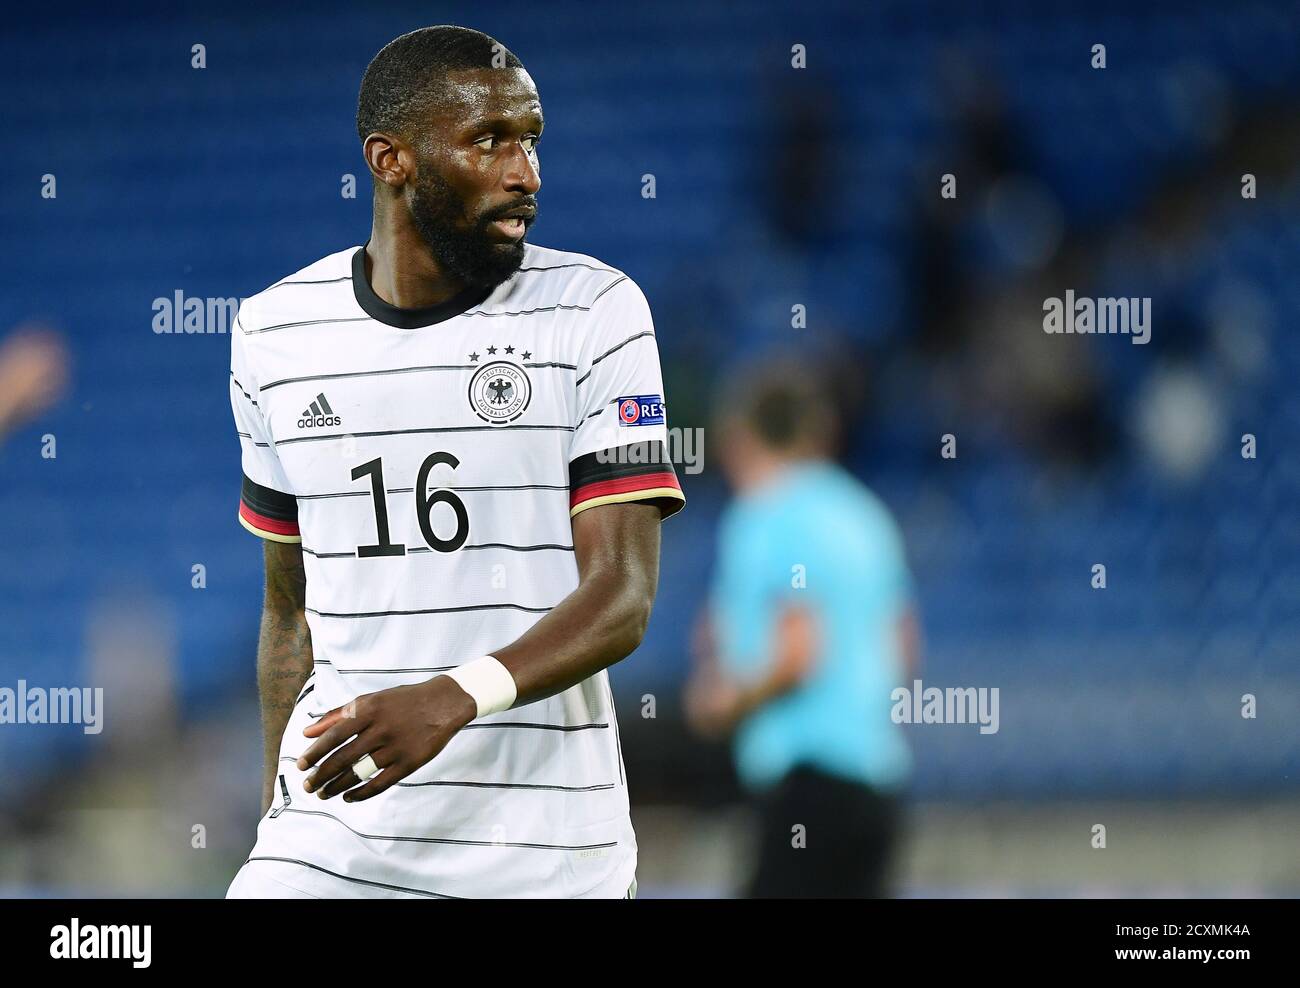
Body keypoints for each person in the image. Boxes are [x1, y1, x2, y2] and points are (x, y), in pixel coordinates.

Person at [225, 25, 684, 899]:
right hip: (333, 840)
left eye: (532, 141)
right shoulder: (272, 333)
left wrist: (454, 695)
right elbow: (289, 606)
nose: (527, 174)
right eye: (489, 141)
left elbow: (623, 598)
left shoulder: (595, 314)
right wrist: (270, 810)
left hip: (544, 855)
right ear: (391, 159)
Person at [685, 361, 916, 897]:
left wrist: (725, 701)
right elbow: (903, 646)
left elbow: (798, 650)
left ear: (738, 436)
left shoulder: (766, 511)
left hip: (806, 784)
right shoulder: (866, 515)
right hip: (877, 779)